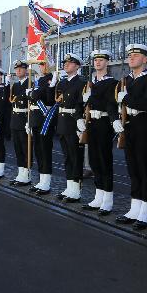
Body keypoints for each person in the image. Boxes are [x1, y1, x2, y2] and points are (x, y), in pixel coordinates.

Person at [115, 43, 147, 228]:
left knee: (145, 170)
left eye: (136, 55)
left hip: (145, 127)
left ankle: (146, 212)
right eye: (130, 55)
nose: (131, 57)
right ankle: (134, 208)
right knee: (133, 170)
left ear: (145, 59)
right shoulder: (126, 80)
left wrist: (126, 99)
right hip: (130, 127)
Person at [81, 50, 119, 216]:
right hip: (92, 123)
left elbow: (109, 103)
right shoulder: (91, 83)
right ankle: (99, 195)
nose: (97, 62)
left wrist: (113, 121)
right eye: (95, 60)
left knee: (105, 160)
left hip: (104, 123)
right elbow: (83, 104)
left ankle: (108, 199)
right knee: (94, 161)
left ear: (107, 62)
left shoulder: (112, 83)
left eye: (101, 60)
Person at [56, 53, 86, 202]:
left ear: (77, 66)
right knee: (67, 157)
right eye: (65, 63)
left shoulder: (81, 82)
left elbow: (81, 104)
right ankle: (69, 187)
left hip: (73, 121)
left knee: (76, 156)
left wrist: (81, 123)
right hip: (62, 122)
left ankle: (76, 189)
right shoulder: (61, 83)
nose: (66, 65)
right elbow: (57, 101)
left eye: (70, 63)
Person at [28, 59, 57, 195]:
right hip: (35, 119)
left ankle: (46, 182)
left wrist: (33, 93)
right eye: (40, 64)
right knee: (38, 151)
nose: (41, 67)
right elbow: (33, 97)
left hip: (45, 119)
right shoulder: (38, 80)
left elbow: (46, 98)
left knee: (45, 151)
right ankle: (41, 179)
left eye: (44, 64)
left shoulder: (51, 79)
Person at [8, 60, 32, 186]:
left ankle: (27, 174)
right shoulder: (15, 85)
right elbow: (10, 101)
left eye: (21, 69)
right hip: (15, 119)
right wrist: (7, 84)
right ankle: (20, 172)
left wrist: (29, 121)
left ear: (26, 70)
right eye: (16, 69)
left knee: (25, 147)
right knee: (17, 148)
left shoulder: (30, 84)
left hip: (24, 118)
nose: (18, 71)